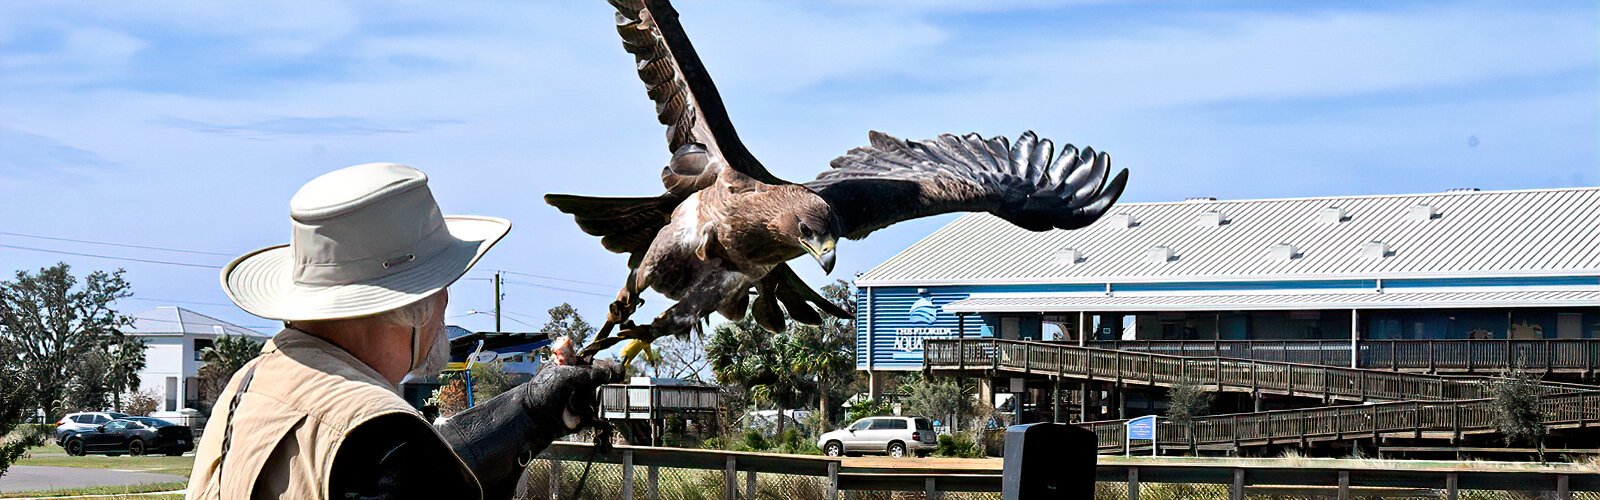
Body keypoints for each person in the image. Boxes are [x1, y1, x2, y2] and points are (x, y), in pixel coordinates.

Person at [186, 163, 619, 499]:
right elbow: (400, 464)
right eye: (443, 283)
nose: (446, 301)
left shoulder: (251, 382)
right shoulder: (386, 440)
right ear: (413, 303)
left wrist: (530, 413)